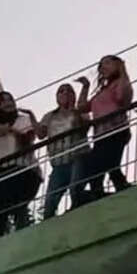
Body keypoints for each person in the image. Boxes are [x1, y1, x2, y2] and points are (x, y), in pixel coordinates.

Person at [0, 91, 42, 239]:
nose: (8, 102)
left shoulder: (22, 120)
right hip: (0, 172)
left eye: (10, 99)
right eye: (3, 101)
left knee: (18, 208)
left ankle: (25, 239)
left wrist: (10, 131)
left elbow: (28, 140)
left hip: (23, 169)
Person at [76, 55, 134, 200]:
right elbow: (82, 107)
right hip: (100, 134)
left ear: (117, 64)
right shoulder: (102, 91)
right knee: (101, 165)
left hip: (116, 129)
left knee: (106, 163)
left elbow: (122, 98)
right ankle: (105, 190)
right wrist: (85, 86)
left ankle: (111, 189)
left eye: (107, 63)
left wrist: (122, 72)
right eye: (101, 65)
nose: (103, 67)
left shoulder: (121, 83)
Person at [36, 83, 90, 217]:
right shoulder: (50, 116)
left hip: (77, 158)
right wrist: (31, 116)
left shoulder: (80, 112)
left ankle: (76, 216)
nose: (65, 93)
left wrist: (74, 109)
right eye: (61, 91)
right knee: (49, 203)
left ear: (74, 95)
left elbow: (84, 128)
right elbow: (40, 134)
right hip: (58, 163)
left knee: (75, 190)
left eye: (69, 91)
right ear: (57, 97)